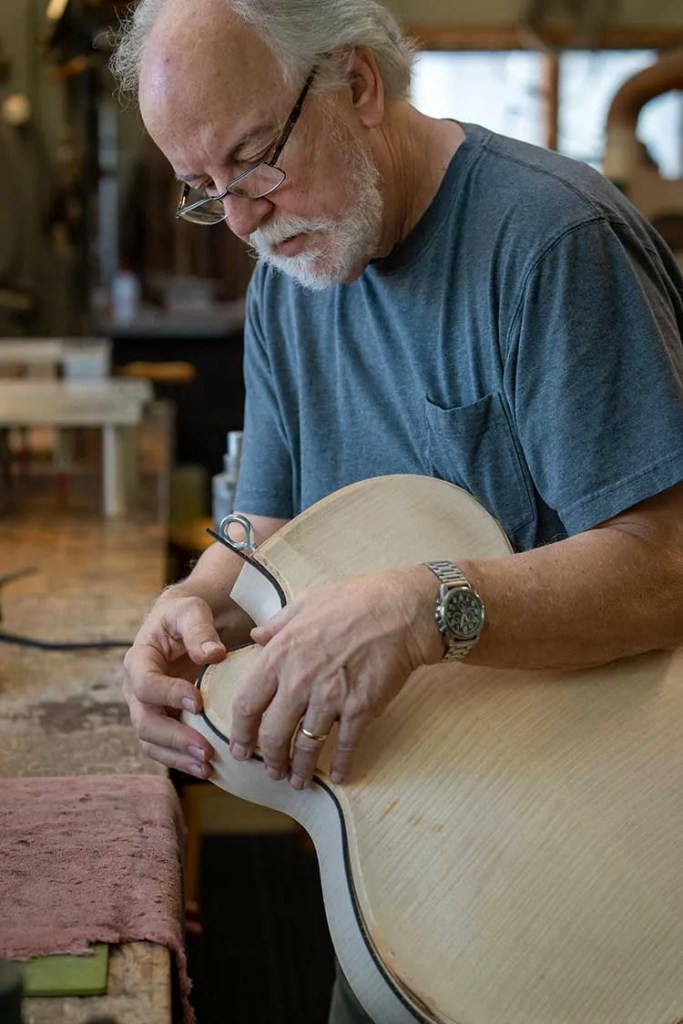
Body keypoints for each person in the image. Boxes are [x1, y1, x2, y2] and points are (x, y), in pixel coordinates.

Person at [111, 2, 683, 1021]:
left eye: (253, 161)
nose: (240, 218)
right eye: (204, 191)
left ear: (358, 84)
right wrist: (194, 601)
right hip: (414, 854)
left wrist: (425, 605)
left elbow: (663, 564)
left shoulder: (550, 241)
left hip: (606, 852)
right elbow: (272, 519)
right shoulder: (294, 272)